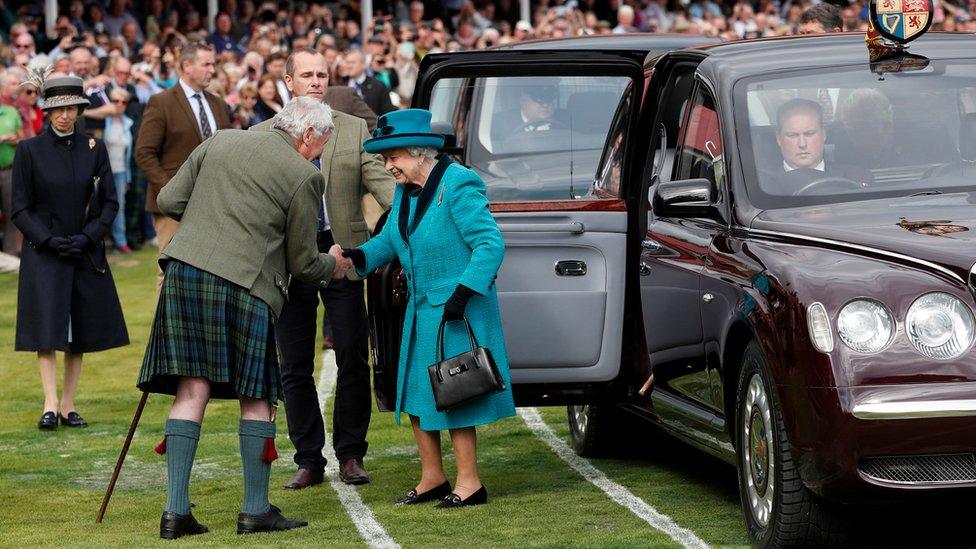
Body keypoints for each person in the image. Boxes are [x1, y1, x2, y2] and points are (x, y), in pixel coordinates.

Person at [137, 97, 353, 539]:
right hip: (247, 284)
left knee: (191, 385)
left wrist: (213, 219)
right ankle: (255, 510)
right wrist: (335, 264)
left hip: (183, 273)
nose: (319, 155)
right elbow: (302, 262)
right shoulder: (303, 176)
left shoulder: (221, 140)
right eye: (322, 146)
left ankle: (175, 513)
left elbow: (169, 198)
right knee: (256, 395)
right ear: (307, 135)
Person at [343, 109, 516, 507]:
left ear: (420, 154)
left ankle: (470, 483)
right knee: (417, 394)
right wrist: (356, 257)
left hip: (458, 310)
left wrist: (463, 294)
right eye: (384, 158)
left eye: (394, 156)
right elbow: (389, 240)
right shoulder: (406, 193)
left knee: (456, 395)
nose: (388, 166)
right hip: (420, 311)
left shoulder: (458, 184)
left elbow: (490, 244)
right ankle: (433, 477)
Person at [251, 48, 395, 490]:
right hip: (288, 260)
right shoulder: (264, 134)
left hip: (345, 254)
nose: (316, 81)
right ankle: (309, 458)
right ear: (288, 81)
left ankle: (351, 454)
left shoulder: (352, 129)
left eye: (322, 74)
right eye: (307, 75)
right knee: (294, 362)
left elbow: (384, 183)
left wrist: (421, 207)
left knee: (352, 354)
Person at [11, 75, 129, 430]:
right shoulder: (29, 150)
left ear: (80, 110)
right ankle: (48, 403)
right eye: (57, 109)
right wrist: (47, 240)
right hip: (44, 250)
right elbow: (20, 208)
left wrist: (87, 237)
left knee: (79, 327)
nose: (64, 115)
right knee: (46, 326)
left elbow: (109, 202)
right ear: (47, 111)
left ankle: (68, 404)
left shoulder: (94, 148)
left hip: (82, 249)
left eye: (70, 108)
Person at [135, 42, 231, 295]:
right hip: (172, 207)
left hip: (214, 203)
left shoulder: (219, 104)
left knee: (213, 271)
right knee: (171, 270)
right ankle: (165, 334)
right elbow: (144, 153)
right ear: (187, 65)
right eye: (206, 64)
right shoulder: (161, 102)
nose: (213, 70)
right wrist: (171, 192)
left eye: (214, 64)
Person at [762, 98, 872, 194]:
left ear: (823, 134)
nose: (802, 144)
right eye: (793, 135)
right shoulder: (762, 185)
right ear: (779, 139)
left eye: (809, 134)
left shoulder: (856, 178)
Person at [103, 87, 134, 253]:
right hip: (104, 171)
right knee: (100, 206)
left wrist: (128, 178)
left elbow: (128, 154)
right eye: (115, 101)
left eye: (123, 101)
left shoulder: (127, 123)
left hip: (121, 170)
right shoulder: (104, 120)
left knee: (119, 207)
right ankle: (103, 241)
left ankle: (121, 241)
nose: (119, 104)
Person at [0, 70, 25, 256]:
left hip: (9, 170)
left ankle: (10, 256)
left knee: (12, 215)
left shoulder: (11, 111)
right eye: (13, 84)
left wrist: (14, 138)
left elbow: (21, 137)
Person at [491, 80, 568, 140]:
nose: (545, 105)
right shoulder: (498, 125)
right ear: (523, 101)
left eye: (549, 99)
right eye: (539, 99)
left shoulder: (567, 122)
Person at [341, 49, 396, 117]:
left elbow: (387, 114)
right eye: (347, 62)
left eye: (352, 62)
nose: (349, 66)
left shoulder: (378, 86)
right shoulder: (340, 84)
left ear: (364, 64)